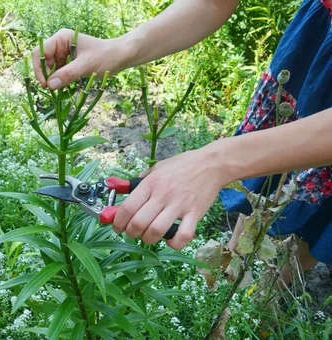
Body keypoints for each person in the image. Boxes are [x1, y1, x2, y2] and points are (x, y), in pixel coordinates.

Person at [31, 0, 332, 285]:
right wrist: (120, 47)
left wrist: (216, 162)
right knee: (263, 189)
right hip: (312, 51)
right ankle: (235, 279)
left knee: (322, 218)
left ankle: (276, 292)